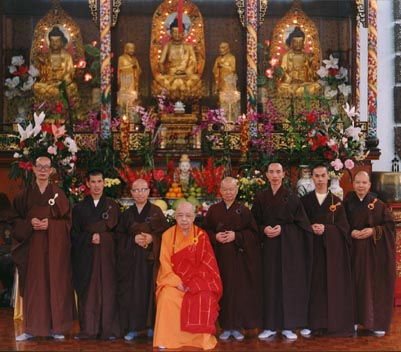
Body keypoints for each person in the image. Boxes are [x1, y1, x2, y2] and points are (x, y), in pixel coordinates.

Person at [11, 156, 75, 341]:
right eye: (39, 166)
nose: (43, 170)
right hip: (31, 250)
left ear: (51, 170)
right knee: (34, 287)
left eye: (46, 167)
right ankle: (31, 328)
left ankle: (56, 328)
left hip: (54, 249)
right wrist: (29, 223)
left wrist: (51, 225)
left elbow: (68, 222)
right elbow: (14, 220)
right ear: (33, 169)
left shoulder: (58, 194)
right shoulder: (24, 195)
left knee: (55, 285)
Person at [251, 162, 313, 341]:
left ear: (284, 174)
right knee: (269, 286)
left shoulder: (292, 198)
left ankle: (288, 326)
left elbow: (303, 226)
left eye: (278, 172)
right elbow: (253, 224)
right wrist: (264, 230)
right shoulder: (261, 198)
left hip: (288, 250)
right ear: (267, 175)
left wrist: (283, 230)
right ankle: (269, 326)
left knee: (288, 286)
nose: (275, 175)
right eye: (271, 172)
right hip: (268, 249)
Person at [153, 201, 222, 350]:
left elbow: (207, 265)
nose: (184, 219)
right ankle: (167, 339)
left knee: (204, 296)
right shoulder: (168, 235)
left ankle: (199, 340)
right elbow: (164, 262)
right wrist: (175, 281)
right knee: (167, 297)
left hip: (196, 282)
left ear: (194, 217)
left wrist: (194, 284)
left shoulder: (201, 236)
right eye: (180, 215)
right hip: (174, 281)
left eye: (188, 216)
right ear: (175, 217)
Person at [202, 177, 262, 341]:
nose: (228, 193)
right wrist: (215, 237)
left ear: (237, 191)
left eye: (232, 189)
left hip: (239, 260)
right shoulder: (214, 210)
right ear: (220, 191)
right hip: (219, 260)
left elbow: (253, 234)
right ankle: (225, 327)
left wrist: (236, 236)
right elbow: (204, 232)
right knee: (224, 292)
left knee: (238, 292)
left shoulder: (244, 210)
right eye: (225, 189)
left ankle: (237, 327)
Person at [300, 164, 353, 336]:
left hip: (330, 254)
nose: (320, 179)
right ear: (312, 178)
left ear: (328, 177)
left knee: (328, 286)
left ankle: (329, 322)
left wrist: (326, 229)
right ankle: (310, 323)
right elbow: (298, 224)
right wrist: (309, 227)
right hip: (310, 251)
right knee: (311, 286)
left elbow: (344, 228)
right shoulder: (305, 201)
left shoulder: (336, 202)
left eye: (323, 175)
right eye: (317, 176)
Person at [343, 171, 396, 336]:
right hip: (351, 251)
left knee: (370, 286)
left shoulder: (378, 205)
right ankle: (350, 320)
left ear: (369, 185)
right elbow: (339, 224)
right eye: (358, 182)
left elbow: (390, 228)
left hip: (371, 254)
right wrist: (349, 232)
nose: (360, 186)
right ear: (353, 184)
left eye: (364, 183)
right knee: (351, 285)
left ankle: (373, 322)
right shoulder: (346, 204)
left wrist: (373, 231)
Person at [115, 178, 169, 341]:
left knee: (150, 292)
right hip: (131, 263)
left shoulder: (156, 212)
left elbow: (165, 234)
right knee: (132, 294)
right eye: (136, 190)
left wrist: (152, 239)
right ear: (131, 193)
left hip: (149, 262)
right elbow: (118, 237)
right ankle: (133, 328)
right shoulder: (126, 214)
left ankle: (152, 327)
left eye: (143, 190)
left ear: (148, 191)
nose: (140, 193)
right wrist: (132, 240)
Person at [71, 169, 120, 340]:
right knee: (89, 291)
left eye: (100, 181)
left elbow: (119, 233)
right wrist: (90, 237)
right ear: (87, 184)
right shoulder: (79, 208)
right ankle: (88, 330)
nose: (97, 185)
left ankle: (108, 329)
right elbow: (74, 234)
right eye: (93, 182)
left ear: (104, 183)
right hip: (87, 256)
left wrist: (104, 238)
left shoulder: (113, 206)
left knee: (108, 289)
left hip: (107, 256)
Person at [155, 18, 201, 101]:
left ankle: (185, 97)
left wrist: (185, 71)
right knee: (158, 78)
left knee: (196, 78)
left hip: (185, 75)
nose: (177, 35)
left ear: (183, 33)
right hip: (171, 74)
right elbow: (161, 62)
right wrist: (165, 71)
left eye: (179, 32)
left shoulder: (188, 46)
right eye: (174, 32)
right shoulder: (167, 46)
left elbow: (193, 63)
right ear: (171, 33)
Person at [32, 26, 79, 104]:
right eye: (52, 41)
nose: (54, 43)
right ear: (49, 42)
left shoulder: (67, 57)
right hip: (47, 85)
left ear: (62, 42)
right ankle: (55, 98)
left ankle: (54, 99)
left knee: (73, 87)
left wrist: (59, 84)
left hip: (62, 85)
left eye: (57, 41)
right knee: (36, 86)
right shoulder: (44, 56)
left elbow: (69, 75)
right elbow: (41, 76)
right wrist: (41, 65)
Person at [278, 26, 321, 97]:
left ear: (303, 43)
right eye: (296, 42)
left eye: (300, 42)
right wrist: (292, 80)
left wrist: (310, 64)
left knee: (316, 86)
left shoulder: (307, 56)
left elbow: (312, 77)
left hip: (304, 83)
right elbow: (282, 72)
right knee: (281, 87)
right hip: (290, 83)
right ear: (291, 43)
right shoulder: (286, 56)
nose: (298, 44)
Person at [117, 42, 142, 106]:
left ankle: (132, 108)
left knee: (132, 97)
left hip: (133, 80)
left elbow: (139, 70)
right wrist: (131, 66)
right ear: (126, 49)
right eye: (130, 49)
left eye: (133, 49)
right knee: (125, 96)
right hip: (125, 78)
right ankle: (123, 109)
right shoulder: (121, 58)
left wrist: (136, 69)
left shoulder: (134, 59)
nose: (132, 50)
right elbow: (120, 69)